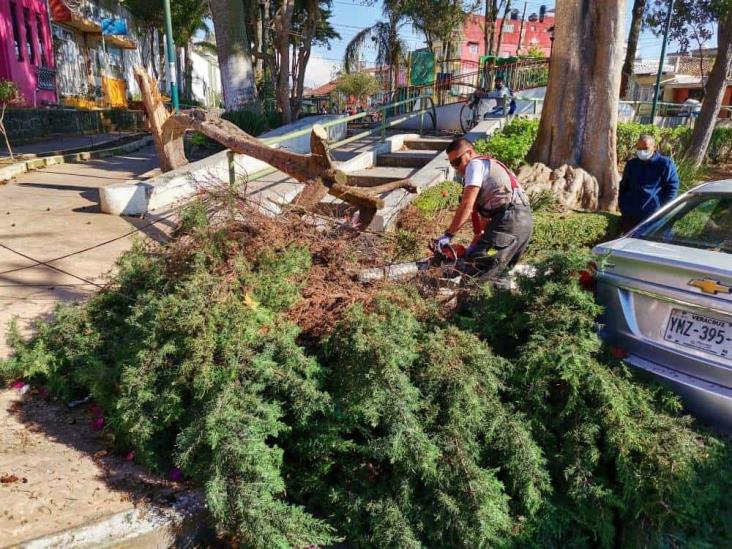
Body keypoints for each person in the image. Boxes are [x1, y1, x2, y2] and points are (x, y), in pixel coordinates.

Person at [436, 137, 533, 281]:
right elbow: (485, 221)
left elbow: (467, 204)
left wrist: (448, 235)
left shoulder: (474, 165)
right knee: (498, 277)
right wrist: (472, 249)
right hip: (523, 224)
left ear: (469, 153)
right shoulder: (491, 167)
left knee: (475, 277)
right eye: (452, 165)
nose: (457, 168)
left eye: (457, 162)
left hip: (508, 222)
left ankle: (470, 304)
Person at [618, 135, 680, 232]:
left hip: (654, 217)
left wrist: (663, 211)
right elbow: (624, 187)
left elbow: (672, 188)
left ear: (654, 148)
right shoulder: (632, 165)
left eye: (645, 148)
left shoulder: (665, 164)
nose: (642, 151)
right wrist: (624, 207)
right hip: (631, 217)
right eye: (639, 148)